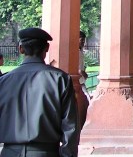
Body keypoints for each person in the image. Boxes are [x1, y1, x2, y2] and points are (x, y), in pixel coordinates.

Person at [0, 27, 79, 156]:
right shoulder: (60, 79)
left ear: (21, 49)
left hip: (10, 152)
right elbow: (70, 125)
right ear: (46, 48)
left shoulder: (3, 81)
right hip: (45, 152)